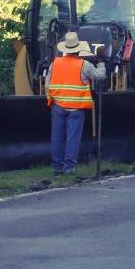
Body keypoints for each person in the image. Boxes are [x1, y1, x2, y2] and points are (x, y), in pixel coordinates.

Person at [45, 32, 106, 175]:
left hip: (58, 107)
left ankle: (57, 168)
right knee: (72, 139)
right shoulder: (84, 65)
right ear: (78, 49)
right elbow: (100, 76)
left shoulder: (55, 63)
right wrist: (101, 61)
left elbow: (47, 85)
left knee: (57, 138)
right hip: (76, 110)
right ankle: (69, 168)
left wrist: (51, 100)